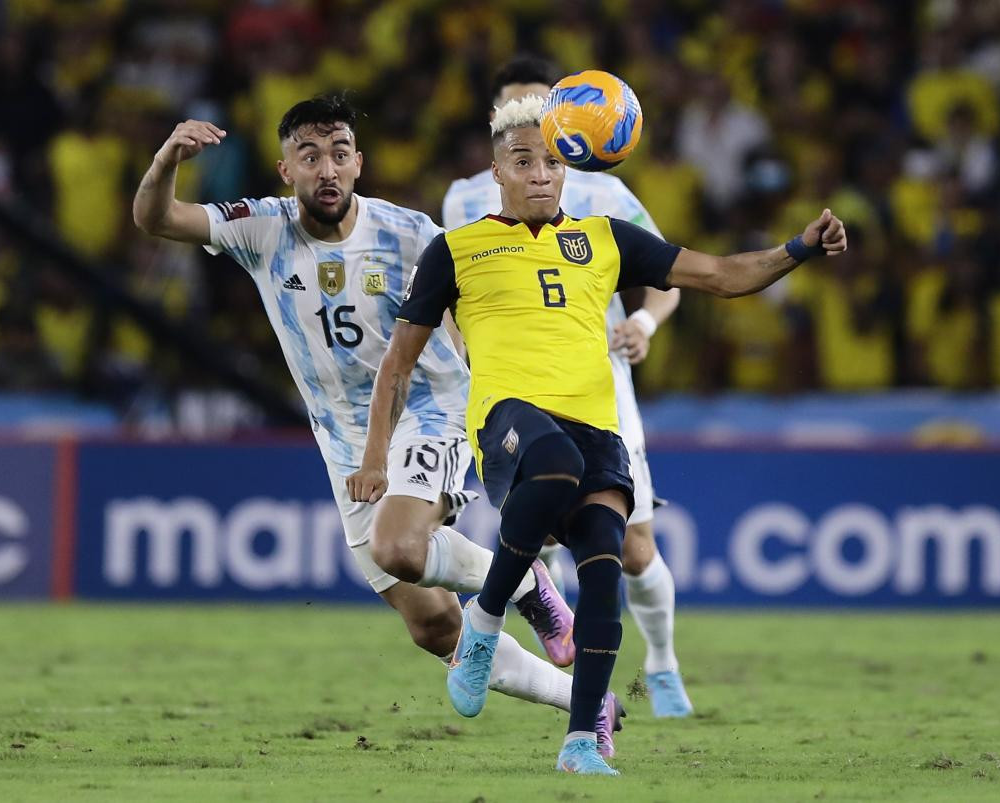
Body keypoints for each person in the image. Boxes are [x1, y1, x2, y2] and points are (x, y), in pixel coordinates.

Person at [348, 96, 846, 775]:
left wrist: (800, 248)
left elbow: (722, 276)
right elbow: (399, 362)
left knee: (606, 570)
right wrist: (376, 456)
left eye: (551, 161)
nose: (541, 174)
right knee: (553, 461)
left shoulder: (605, 238)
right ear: (497, 171)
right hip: (509, 423)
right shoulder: (455, 249)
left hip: (598, 430)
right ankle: (486, 626)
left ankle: (581, 741)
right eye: (524, 161)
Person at [132, 93, 625, 754]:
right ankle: (586, 701)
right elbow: (155, 217)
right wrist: (168, 158)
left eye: (339, 153)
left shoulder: (409, 232)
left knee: (398, 545)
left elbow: (465, 309)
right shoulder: (263, 228)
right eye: (310, 156)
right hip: (342, 439)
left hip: (430, 407)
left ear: (359, 162)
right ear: (286, 171)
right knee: (430, 625)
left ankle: (529, 582)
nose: (327, 169)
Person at [442, 55, 692, 718]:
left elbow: (669, 276)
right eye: (512, 109)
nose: (530, 123)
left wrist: (643, 320)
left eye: (539, 105)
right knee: (543, 521)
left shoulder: (603, 190)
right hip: (514, 391)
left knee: (634, 548)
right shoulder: (465, 197)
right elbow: (452, 292)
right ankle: (564, 674)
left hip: (598, 386)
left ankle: (661, 661)